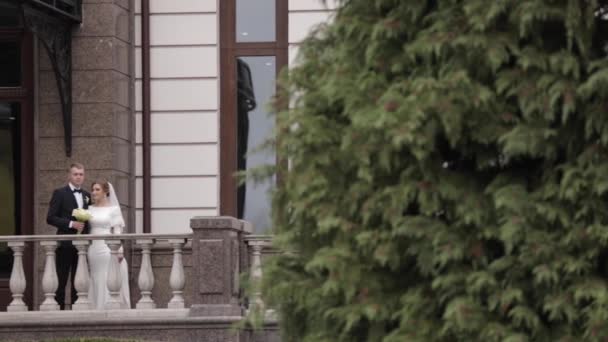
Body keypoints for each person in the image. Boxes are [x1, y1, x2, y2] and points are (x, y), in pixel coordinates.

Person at [46, 162, 90, 310]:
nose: (78, 177)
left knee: (79, 281)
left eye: (81, 174)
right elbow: (50, 217)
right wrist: (71, 224)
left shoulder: (87, 196)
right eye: (75, 174)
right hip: (65, 244)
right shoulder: (60, 193)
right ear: (69, 175)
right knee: (62, 278)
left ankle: (76, 311)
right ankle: (58, 312)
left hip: (82, 246)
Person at [87, 179, 130, 309]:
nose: (94, 192)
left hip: (106, 248)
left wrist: (119, 250)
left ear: (105, 192)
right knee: (95, 277)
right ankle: (96, 307)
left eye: (97, 189)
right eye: (93, 189)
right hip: (93, 249)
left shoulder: (113, 209)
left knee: (107, 276)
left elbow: (118, 231)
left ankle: (107, 307)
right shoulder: (89, 209)